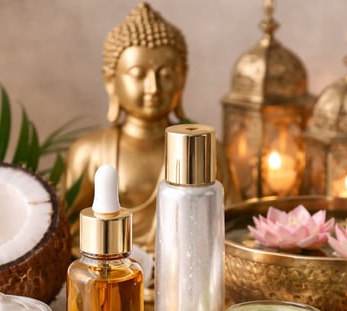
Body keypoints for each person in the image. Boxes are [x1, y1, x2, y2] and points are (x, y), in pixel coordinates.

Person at [64, 3, 238, 263]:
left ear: (183, 77)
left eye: (166, 74)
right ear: (111, 81)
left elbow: (233, 226)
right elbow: (69, 231)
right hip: (117, 275)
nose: (154, 87)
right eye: (138, 74)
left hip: (187, 274)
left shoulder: (205, 148)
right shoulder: (90, 151)